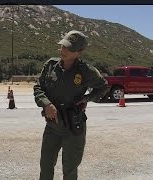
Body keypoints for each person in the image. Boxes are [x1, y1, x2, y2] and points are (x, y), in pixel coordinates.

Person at [34, 30, 108, 180]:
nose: (64, 50)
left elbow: (103, 86)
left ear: (79, 52)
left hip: (73, 127)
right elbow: (38, 87)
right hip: (52, 126)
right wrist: (46, 104)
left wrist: (88, 98)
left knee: (70, 169)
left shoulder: (86, 70)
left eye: (69, 48)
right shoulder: (50, 65)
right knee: (46, 166)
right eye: (63, 46)